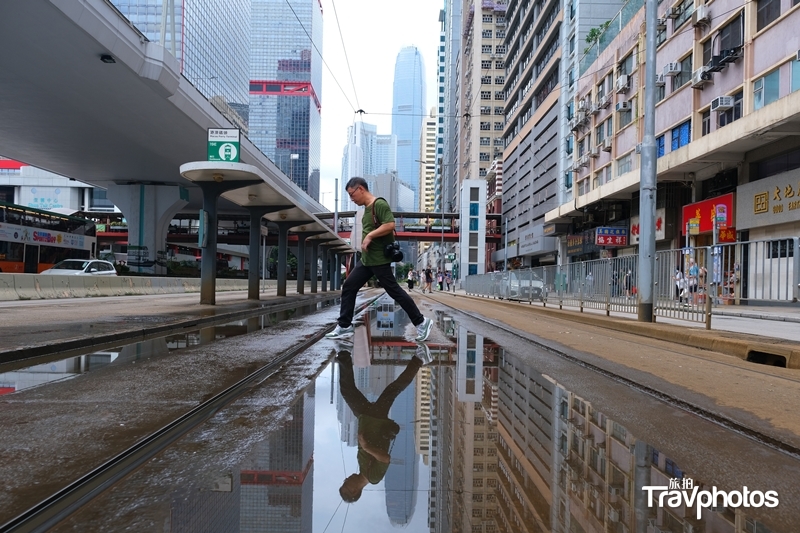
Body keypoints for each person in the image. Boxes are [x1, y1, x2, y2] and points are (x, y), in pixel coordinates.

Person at [325, 177, 432, 342]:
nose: (352, 199)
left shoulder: (379, 204)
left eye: (352, 194)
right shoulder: (367, 208)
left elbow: (390, 224)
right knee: (349, 286)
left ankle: (421, 322)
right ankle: (344, 326)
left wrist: (369, 236)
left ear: (360, 189)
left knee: (394, 291)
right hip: (368, 260)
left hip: (379, 260)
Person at [336, 340, 432, 503]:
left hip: (366, 418)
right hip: (376, 421)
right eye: (346, 484)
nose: (346, 479)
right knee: (390, 390)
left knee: (349, 390)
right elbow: (385, 458)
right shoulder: (373, 478)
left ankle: (344, 353)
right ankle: (420, 359)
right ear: (353, 490)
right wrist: (366, 446)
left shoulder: (362, 469)